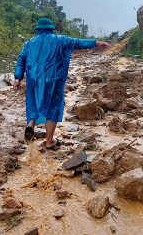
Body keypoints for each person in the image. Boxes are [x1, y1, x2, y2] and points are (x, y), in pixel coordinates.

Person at [13, 17, 111, 148]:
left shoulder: (29, 43)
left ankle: (31, 124)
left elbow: (21, 60)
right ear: (51, 29)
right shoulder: (60, 40)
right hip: (53, 79)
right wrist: (97, 43)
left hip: (33, 78)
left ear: (38, 30)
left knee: (33, 101)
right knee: (53, 107)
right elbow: (78, 43)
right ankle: (49, 141)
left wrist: (17, 78)